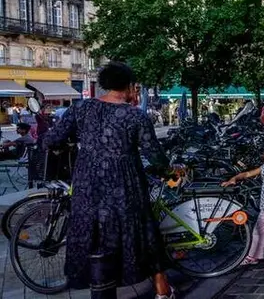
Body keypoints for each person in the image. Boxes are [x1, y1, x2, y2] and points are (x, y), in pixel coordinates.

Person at [42, 61, 174, 299]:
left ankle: (102, 290)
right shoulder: (135, 115)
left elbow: (51, 140)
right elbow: (153, 154)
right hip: (125, 183)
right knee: (140, 231)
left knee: (93, 235)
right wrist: (167, 170)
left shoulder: (80, 108)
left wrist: (72, 146)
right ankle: (160, 287)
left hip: (86, 183)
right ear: (130, 85)